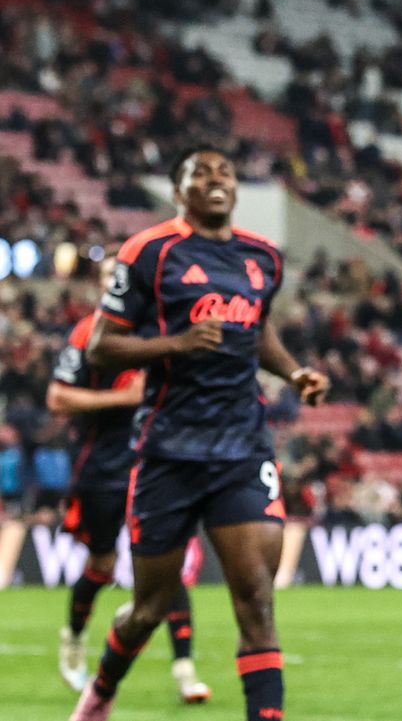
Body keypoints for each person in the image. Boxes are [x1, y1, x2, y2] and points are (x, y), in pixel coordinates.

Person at [69, 145, 330, 721]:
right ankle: (101, 693)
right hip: (167, 449)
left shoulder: (263, 258)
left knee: (257, 600)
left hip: (242, 446)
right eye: (200, 172)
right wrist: (175, 345)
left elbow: (257, 332)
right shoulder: (149, 252)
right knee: (150, 607)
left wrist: (293, 372)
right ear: (178, 189)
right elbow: (101, 348)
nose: (216, 180)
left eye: (225, 172)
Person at [49, 257, 210, 702]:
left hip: (157, 462)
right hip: (102, 464)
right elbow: (58, 397)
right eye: (106, 278)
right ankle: (76, 637)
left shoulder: (161, 332)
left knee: (167, 562)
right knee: (101, 564)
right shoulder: (87, 334)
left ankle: (185, 671)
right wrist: (123, 398)